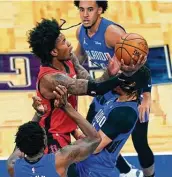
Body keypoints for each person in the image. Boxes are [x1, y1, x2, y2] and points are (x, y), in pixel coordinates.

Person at [74, 1, 154, 177]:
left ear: (100, 10)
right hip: (107, 89)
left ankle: (149, 175)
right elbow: (79, 55)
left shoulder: (112, 33)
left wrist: (146, 97)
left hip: (129, 91)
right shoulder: (81, 31)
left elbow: (140, 62)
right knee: (93, 134)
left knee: (140, 142)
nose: (85, 14)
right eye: (81, 10)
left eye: (90, 9)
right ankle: (126, 171)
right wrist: (69, 73)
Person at [7, 85, 101, 177]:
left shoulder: (13, 166)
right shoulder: (60, 159)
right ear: (45, 142)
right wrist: (66, 106)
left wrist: (39, 114)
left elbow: (21, 142)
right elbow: (95, 138)